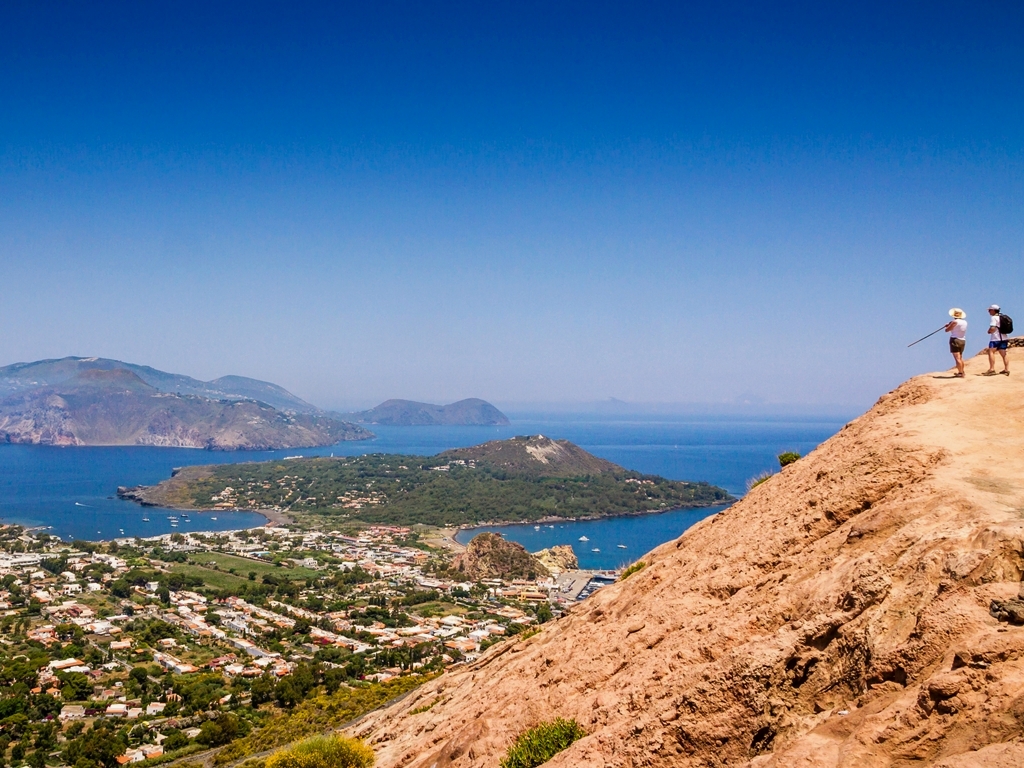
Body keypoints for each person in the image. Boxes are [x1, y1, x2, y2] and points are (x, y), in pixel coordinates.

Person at [985, 304, 1010, 376]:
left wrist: (989, 331)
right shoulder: (1002, 317)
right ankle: (1006, 369)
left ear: (993, 310)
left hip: (995, 338)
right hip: (1004, 338)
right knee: (1004, 354)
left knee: (991, 352)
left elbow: (993, 328)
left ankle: (992, 369)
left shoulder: (994, 318)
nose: (989, 312)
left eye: (989, 310)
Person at [945, 308, 967, 377]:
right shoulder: (965, 322)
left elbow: (947, 330)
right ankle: (962, 371)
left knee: (957, 358)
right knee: (960, 357)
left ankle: (960, 373)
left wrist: (948, 326)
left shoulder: (954, 322)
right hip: (962, 340)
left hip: (955, 340)